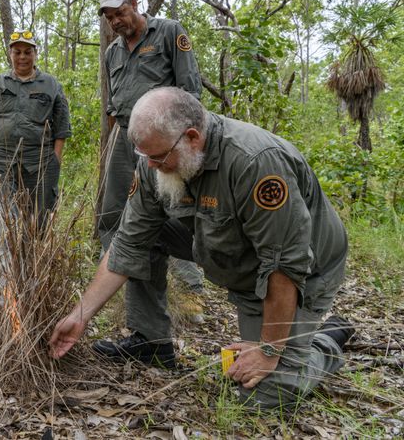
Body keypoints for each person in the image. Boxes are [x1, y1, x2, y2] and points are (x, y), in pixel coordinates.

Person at [49, 87, 354, 410]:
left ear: (192, 137)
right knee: (146, 236)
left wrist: (268, 349)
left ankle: (325, 343)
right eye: (144, 156)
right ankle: (152, 342)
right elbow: (129, 241)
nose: (151, 165)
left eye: (158, 157)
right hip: (229, 251)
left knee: (267, 395)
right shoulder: (157, 157)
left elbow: (284, 264)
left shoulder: (255, 162)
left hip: (302, 272)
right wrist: (80, 316)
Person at [95, 0, 206, 351]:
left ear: (134, 4)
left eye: (119, 13)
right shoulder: (112, 52)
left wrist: (183, 141)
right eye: (110, 18)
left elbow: (190, 91)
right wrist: (113, 142)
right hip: (124, 138)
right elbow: (115, 102)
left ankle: (191, 290)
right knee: (112, 212)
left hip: (164, 143)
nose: (116, 22)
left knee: (173, 214)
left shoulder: (170, 32)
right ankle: (119, 278)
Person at [0, 30, 71, 228]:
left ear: (35, 53)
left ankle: (34, 257)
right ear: (10, 54)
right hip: (0, 160)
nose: (22, 57)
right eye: (17, 52)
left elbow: (62, 124)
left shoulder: (51, 84)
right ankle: (2, 257)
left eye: (28, 52)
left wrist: (55, 159)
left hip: (39, 162)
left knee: (38, 218)